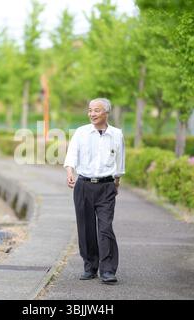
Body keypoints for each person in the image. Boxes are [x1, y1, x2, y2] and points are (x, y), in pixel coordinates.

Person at [63, 98, 125, 284]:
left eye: (97, 110)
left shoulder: (116, 134)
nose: (92, 114)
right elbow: (72, 154)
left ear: (106, 113)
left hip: (107, 186)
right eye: (90, 110)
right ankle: (90, 267)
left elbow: (120, 160)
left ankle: (108, 270)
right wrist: (69, 171)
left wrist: (117, 181)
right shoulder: (81, 132)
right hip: (83, 186)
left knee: (105, 228)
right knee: (86, 228)